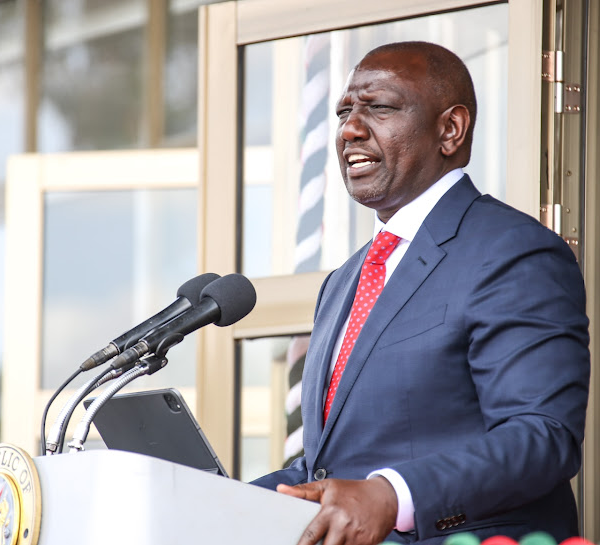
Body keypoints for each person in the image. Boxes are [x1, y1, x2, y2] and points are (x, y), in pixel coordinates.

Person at [251, 41, 590, 545]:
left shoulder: (511, 251)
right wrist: (219, 498)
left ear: (450, 130)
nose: (349, 128)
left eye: (379, 107)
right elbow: (331, 465)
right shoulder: (344, 281)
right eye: (345, 111)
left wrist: (392, 494)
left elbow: (541, 435)